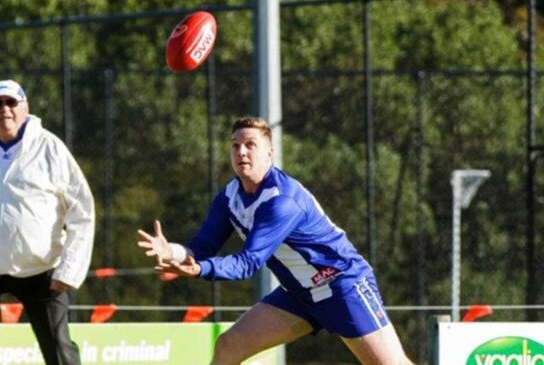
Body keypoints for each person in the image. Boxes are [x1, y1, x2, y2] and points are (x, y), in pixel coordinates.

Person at [137, 116, 413, 365]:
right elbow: (202, 247)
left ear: (270, 152)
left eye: (250, 144)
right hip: (299, 294)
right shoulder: (229, 197)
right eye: (235, 146)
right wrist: (171, 251)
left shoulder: (281, 201)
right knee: (228, 346)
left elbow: (248, 262)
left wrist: (200, 269)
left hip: (342, 284)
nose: (241, 151)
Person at [0, 79, 95, 365]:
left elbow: (82, 211)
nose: (4, 109)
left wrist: (69, 270)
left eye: (11, 102)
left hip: (42, 271)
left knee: (60, 352)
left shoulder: (51, 148)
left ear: (25, 107)